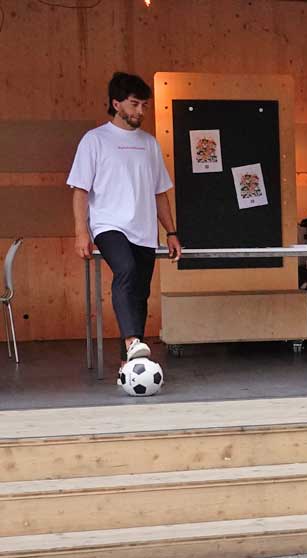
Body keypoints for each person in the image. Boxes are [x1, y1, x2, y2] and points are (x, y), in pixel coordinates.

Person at [68, 72, 182, 383]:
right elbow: (80, 190)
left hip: (144, 229)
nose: (140, 111)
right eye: (134, 104)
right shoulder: (94, 140)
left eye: (144, 105)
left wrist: (171, 233)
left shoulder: (150, 144)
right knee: (126, 271)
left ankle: (127, 364)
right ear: (116, 104)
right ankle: (132, 341)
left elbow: (160, 193)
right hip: (108, 225)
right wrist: (81, 232)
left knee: (140, 293)